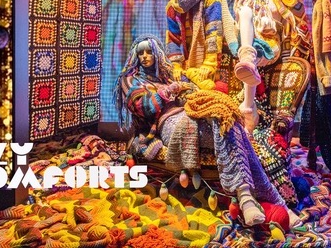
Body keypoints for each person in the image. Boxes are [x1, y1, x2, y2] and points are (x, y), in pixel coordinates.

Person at [114, 35, 291, 226]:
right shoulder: (130, 80)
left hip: (188, 113)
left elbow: (190, 91)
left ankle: (247, 197)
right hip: (167, 124)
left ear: (157, 54)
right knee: (224, 121)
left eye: (149, 52)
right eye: (140, 53)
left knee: (225, 117)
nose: (145, 56)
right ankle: (267, 200)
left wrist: (187, 90)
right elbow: (142, 107)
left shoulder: (166, 74)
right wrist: (167, 91)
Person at [232, 0, 311, 131]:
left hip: (269, 46)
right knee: (245, 12)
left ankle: (248, 103)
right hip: (249, 42)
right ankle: (249, 107)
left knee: (253, 56)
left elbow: (297, 23)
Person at [165, 0, 237, 91]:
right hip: (191, 60)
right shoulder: (173, 7)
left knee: (218, 90)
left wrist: (209, 63)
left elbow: (214, 31)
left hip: (218, 57)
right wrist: (176, 66)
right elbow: (173, 39)